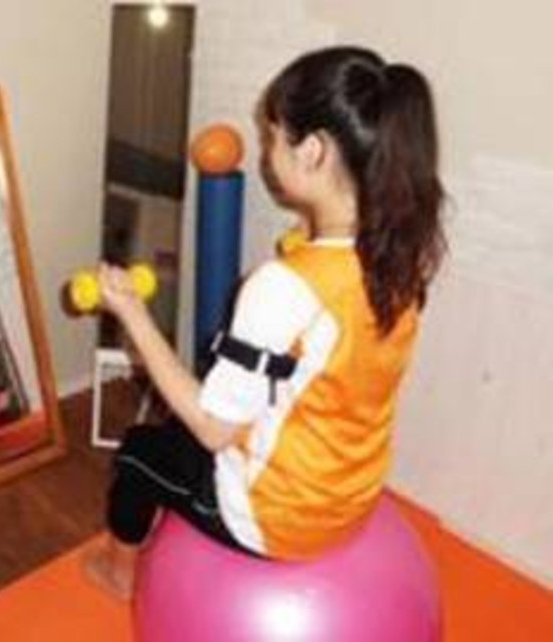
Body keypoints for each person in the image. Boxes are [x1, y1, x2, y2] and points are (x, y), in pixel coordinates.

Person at [82, 45, 446, 601]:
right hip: (350, 497)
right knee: (200, 418)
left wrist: (132, 313)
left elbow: (214, 430)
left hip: (274, 517)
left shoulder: (282, 286)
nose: (266, 151)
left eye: (273, 137)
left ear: (313, 151)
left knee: (140, 450)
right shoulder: (400, 257)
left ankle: (119, 572)